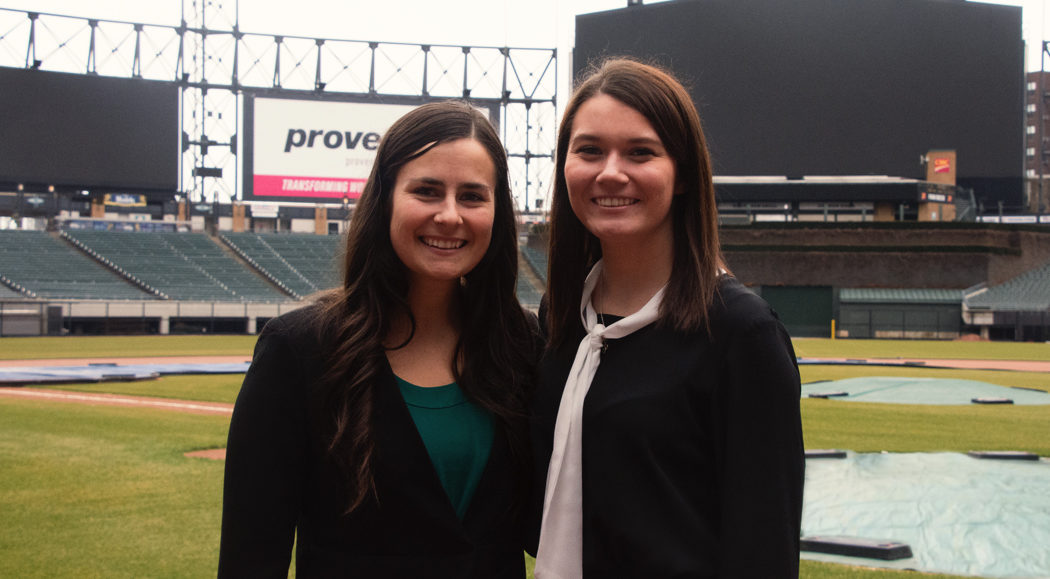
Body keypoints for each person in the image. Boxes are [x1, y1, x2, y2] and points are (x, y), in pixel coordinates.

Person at [219, 101, 538, 578]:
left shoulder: (525, 346)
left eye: (472, 196)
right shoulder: (300, 350)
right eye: (427, 191)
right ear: (385, 198)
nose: (450, 215)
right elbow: (251, 557)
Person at [527, 58, 805, 577]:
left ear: (681, 176)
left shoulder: (740, 333)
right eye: (589, 150)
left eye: (640, 152)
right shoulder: (562, 320)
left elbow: (764, 547)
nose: (610, 172)